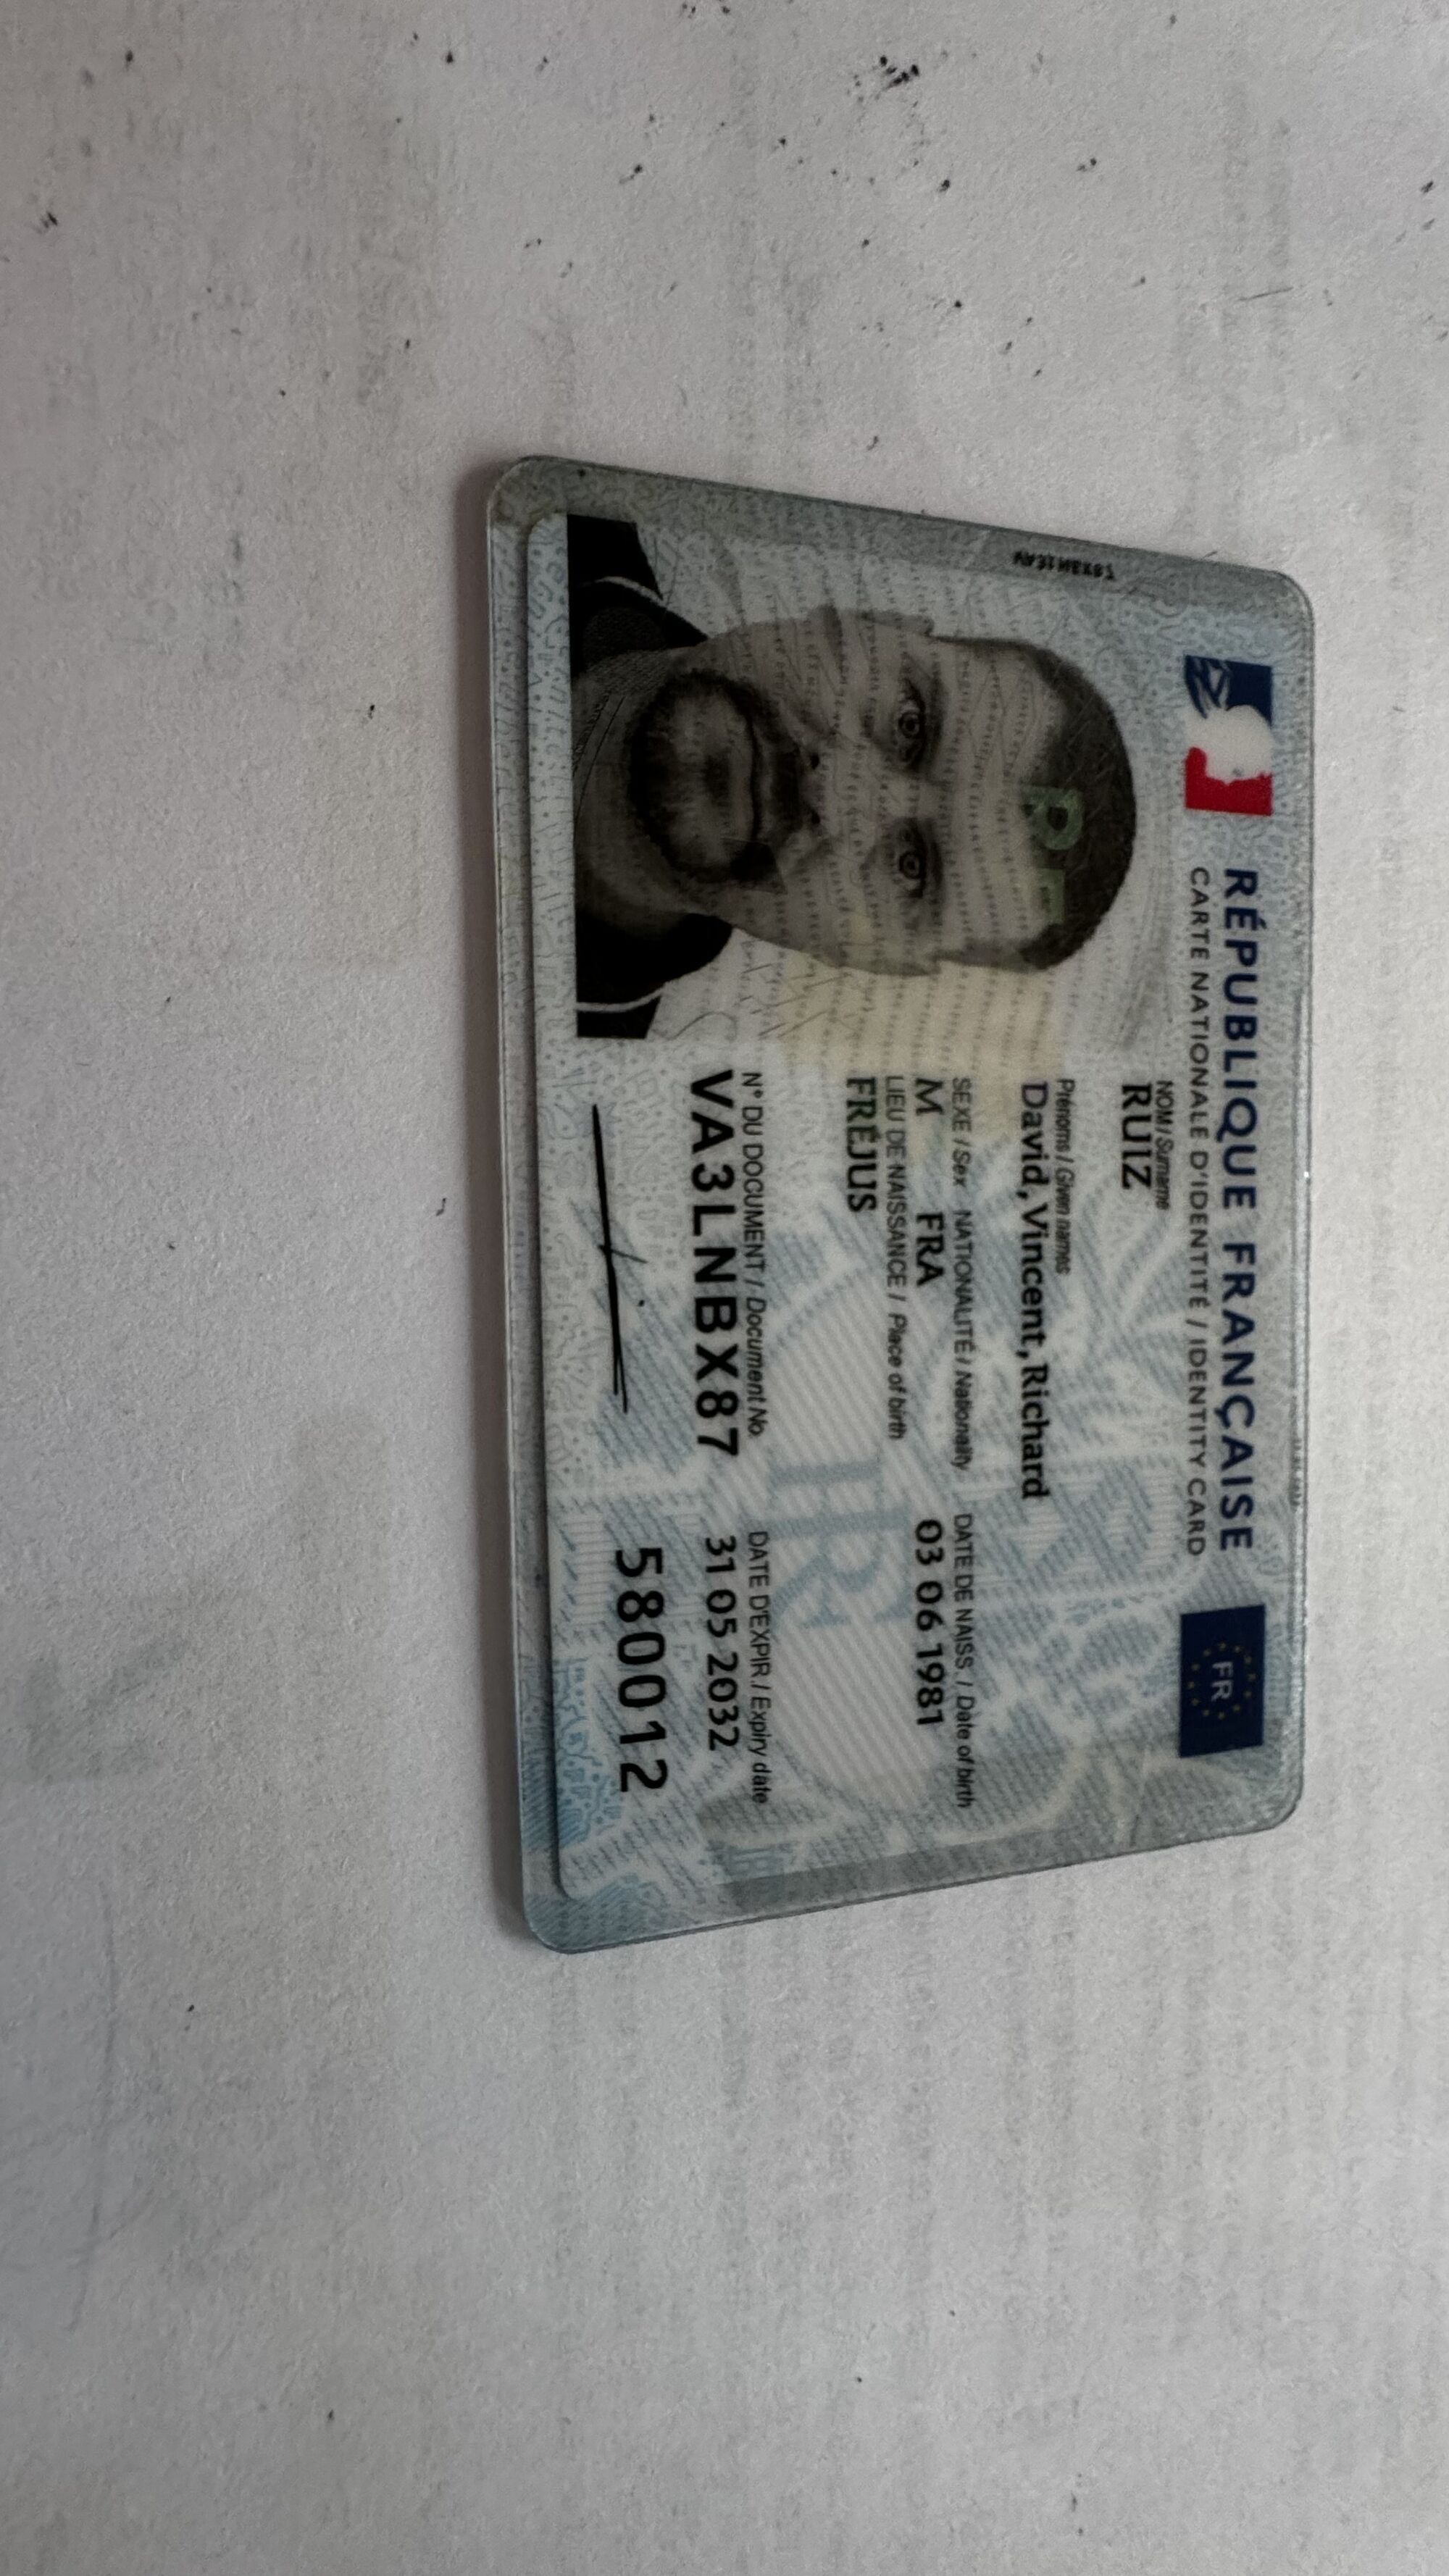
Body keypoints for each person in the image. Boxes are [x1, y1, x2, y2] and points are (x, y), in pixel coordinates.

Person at [568, 517, 1137, 1037]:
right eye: (911, 724)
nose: (833, 792)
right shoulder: (572, 503)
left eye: (911, 867)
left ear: (870, 960)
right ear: (876, 623)